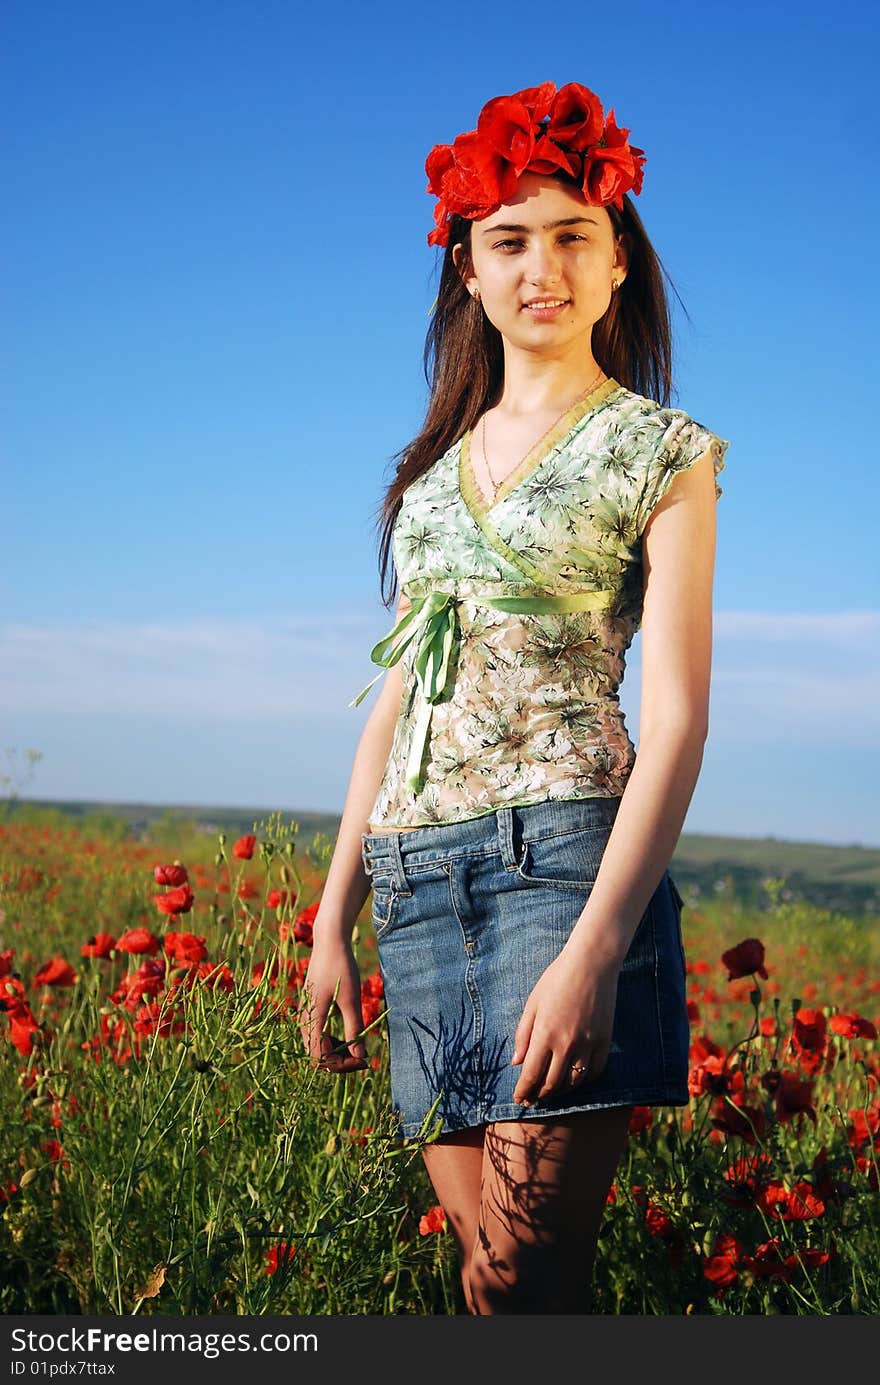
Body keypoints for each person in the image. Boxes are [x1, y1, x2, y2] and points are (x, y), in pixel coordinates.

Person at [298, 79, 730, 1315]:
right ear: (468, 272)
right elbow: (394, 703)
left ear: (616, 261)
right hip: (416, 876)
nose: (541, 266)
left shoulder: (664, 449)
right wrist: (333, 916)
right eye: (509, 242)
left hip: (565, 864)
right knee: (486, 1275)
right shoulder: (429, 479)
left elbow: (682, 715)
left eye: (572, 235)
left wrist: (597, 944)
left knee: (529, 1269)